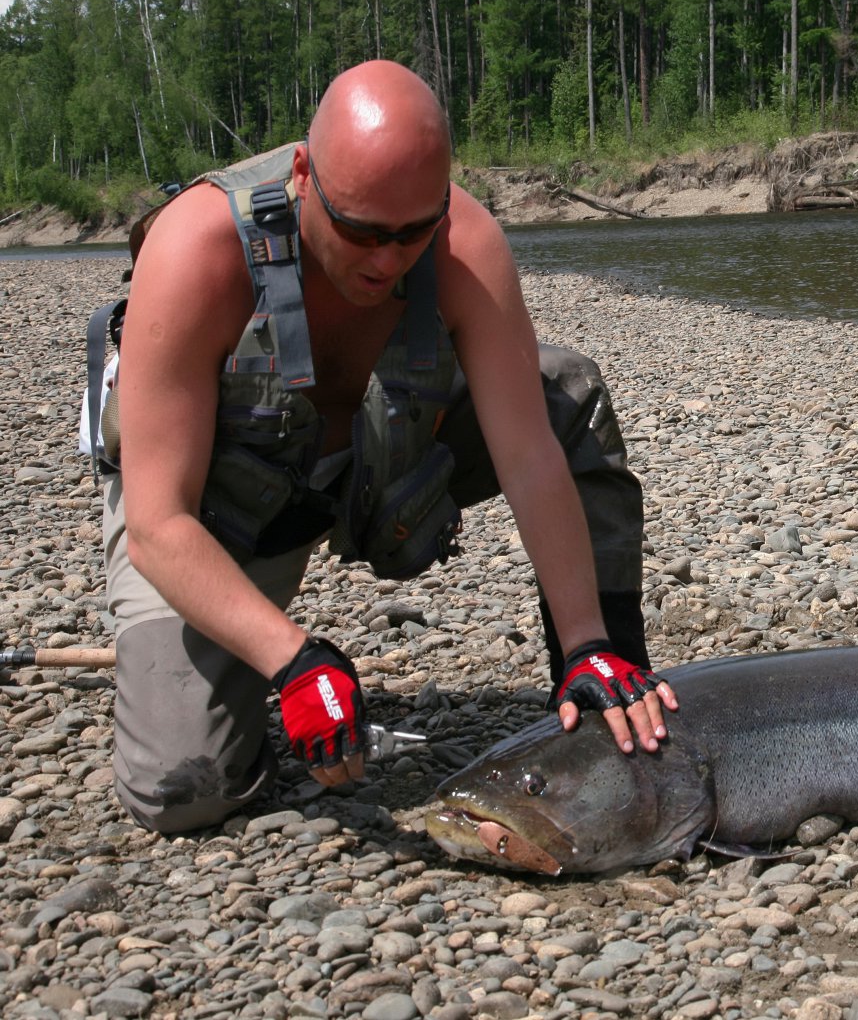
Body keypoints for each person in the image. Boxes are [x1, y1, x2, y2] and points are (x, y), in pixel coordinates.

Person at [91, 59, 676, 833]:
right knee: (180, 791)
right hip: (224, 505)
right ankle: (251, 676)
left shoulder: (463, 240)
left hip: (383, 455)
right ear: (304, 175)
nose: (386, 261)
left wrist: (586, 642)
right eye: (361, 232)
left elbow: (530, 455)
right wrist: (296, 662)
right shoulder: (195, 249)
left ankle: (609, 699)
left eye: (411, 234)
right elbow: (158, 525)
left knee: (567, 392)